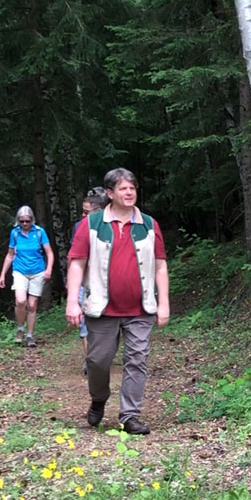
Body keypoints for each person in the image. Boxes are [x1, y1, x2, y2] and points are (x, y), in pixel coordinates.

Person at [64, 169, 170, 435]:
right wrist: (72, 302)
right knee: (98, 361)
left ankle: (130, 416)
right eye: (123, 189)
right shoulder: (92, 224)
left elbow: (160, 266)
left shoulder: (148, 224)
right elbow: (77, 264)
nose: (129, 192)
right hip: (102, 308)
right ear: (110, 193)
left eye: (132, 188)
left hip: (140, 308)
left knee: (137, 360)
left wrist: (164, 303)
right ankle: (99, 399)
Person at [0, 206, 53, 347]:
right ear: (18, 221)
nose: (25, 224)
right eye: (22, 221)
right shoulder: (15, 233)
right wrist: (2, 274)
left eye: (27, 221)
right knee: (21, 301)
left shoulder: (40, 232)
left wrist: (48, 269)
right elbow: (10, 255)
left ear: (32, 220)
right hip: (20, 270)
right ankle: (20, 329)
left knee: (32, 305)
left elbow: (49, 253)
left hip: (38, 271)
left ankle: (30, 335)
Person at [74, 187, 110, 372]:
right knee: (85, 322)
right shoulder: (79, 227)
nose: (83, 215)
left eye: (86, 212)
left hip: (107, 283)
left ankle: (101, 356)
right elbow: (74, 259)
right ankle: (90, 361)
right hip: (85, 282)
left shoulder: (113, 227)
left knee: (105, 323)